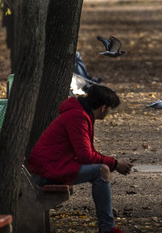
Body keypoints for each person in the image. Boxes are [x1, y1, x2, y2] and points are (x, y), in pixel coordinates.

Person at [28, 84, 133, 233]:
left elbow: (87, 153)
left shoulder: (81, 114)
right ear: (104, 108)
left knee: (101, 169)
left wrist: (114, 164)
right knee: (101, 171)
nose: (109, 112)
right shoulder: (78, 117)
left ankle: (107, 227)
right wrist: (115, 163)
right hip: (46, 173)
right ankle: (107, 228)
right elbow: (86, 156)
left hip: (53, 167)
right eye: (110, 109)